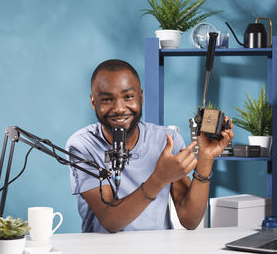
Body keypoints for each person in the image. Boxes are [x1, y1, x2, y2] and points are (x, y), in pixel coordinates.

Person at [66, 59, 234, 233]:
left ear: (141, 97)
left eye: (128, 97)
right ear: (94, 102)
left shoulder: (166, 140)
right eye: (107, 99)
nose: (119, 108)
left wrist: (206, 159)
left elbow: (189, 220)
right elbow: (111, 221)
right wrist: (159, 178)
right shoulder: (82, 145)